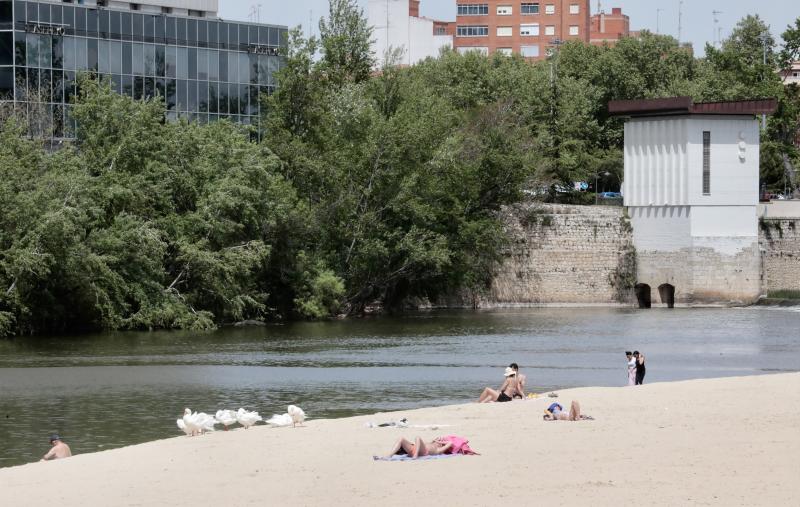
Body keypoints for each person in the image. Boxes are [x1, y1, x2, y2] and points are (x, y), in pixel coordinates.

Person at [387, 436, 453, 459]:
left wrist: (440, 442)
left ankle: (415, 456)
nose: (439, 440)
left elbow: (450, 443)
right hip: (413, 449)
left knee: (417, 437)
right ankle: (389, 455)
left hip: (422, 453)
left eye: (441, 440)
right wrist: (434, 440)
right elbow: (420, 444)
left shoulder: (439, 449)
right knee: (401, 439)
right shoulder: (430, 443)